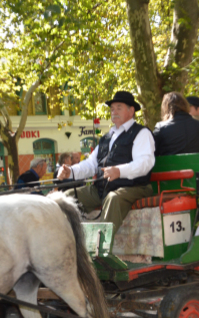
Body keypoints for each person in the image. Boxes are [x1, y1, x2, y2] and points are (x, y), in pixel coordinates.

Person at [58, 90, 154, 233]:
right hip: (102, 188)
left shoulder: (141, 133)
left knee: (113, 198)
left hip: (134, 187)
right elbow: (90, 164)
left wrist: (119, 171)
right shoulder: (106, 137)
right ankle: (70, 241)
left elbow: (145, 163)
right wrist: (70, 171)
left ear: (131, 110)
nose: (114, 111)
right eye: (112, 108)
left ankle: (101, 249)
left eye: (119, 107)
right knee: (65, 198)